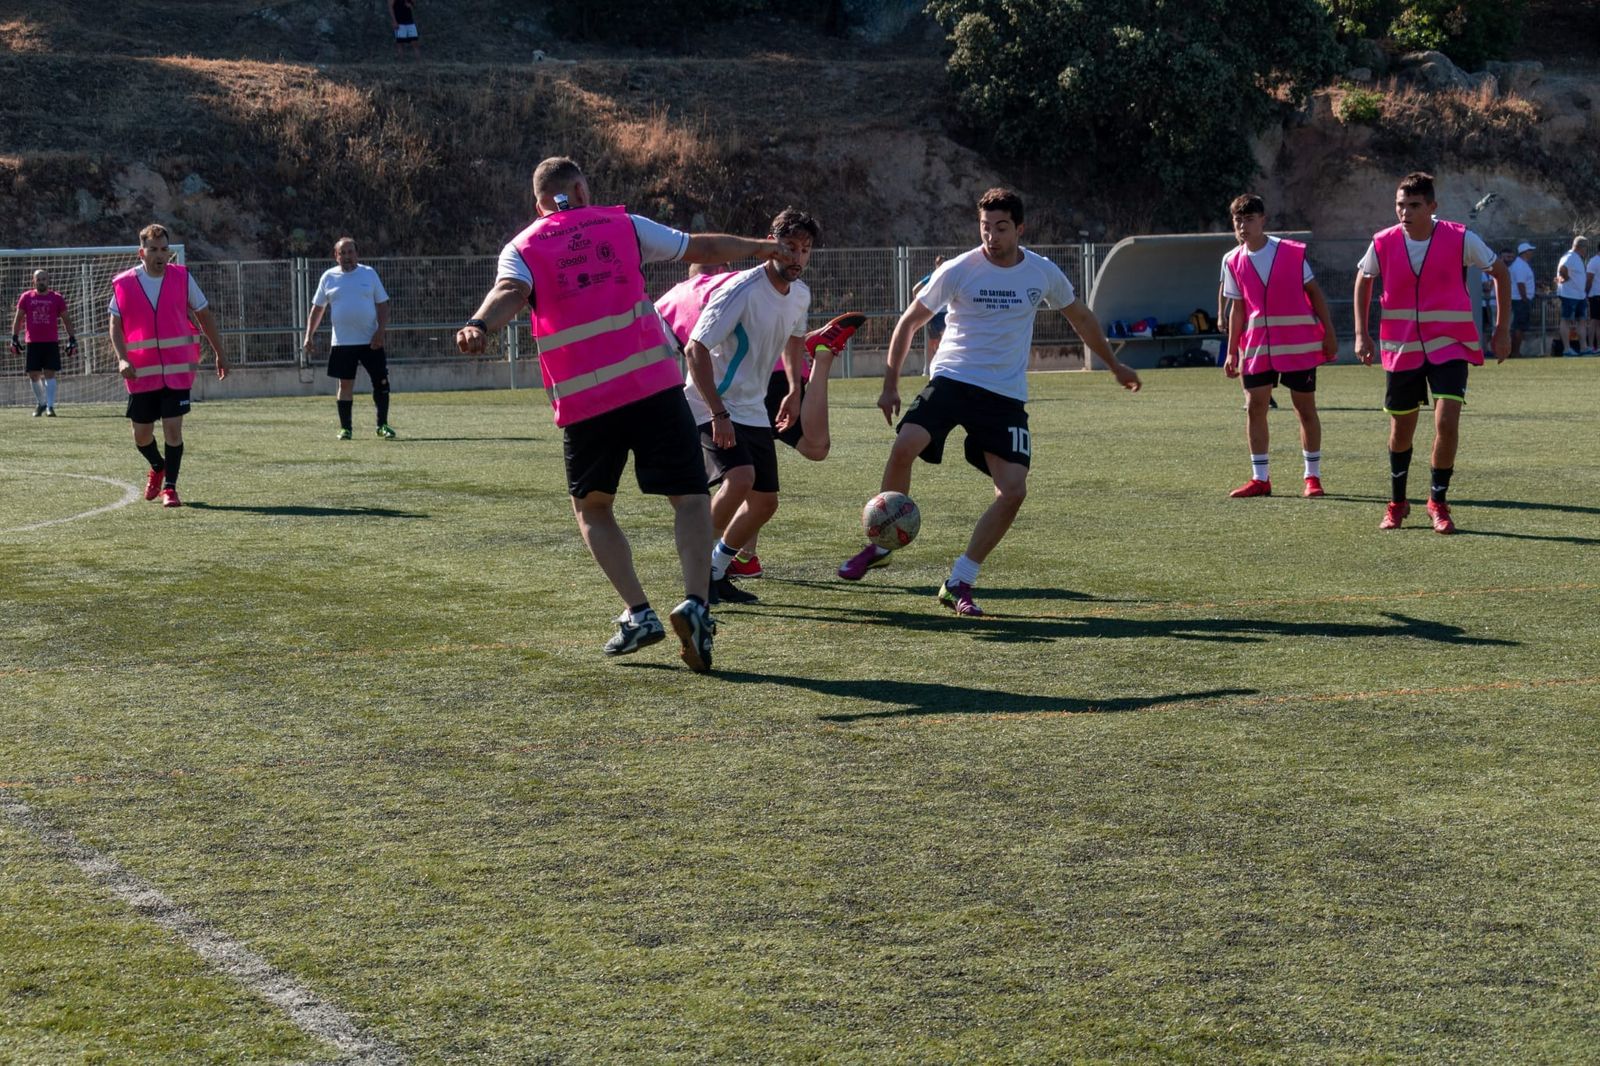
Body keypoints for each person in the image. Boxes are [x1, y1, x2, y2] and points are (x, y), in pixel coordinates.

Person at [455, 156, 794, 673]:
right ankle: (697, 604)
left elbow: (511, 292)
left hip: (587, 402)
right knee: (689, 498)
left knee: (593, 509)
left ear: (538, 202)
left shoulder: (522, 246)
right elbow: (700, 248)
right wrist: (762, 248)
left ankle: (640, 613)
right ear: (583, 189)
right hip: (654, 388)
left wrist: (481, 324)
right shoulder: (624, 225)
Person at [836, 187, 1142, 616]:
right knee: (904, 444)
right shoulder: (961, 268)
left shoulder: (1042, 272)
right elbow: (909, 322)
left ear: (1020, 228)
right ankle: (883, 541)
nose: (991, 237)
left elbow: (1082, 318)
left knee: (1013, 491)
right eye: (984, 227)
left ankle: (959, 579)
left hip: (1004, 395)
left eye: (1001, 228)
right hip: (953, 379)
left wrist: (1114, 365)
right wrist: (890, 384)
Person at [679, 208, 854, 605]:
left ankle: (716, 571)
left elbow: (794, 341)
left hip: (754, 407)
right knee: (740, 479)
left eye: (805, 250)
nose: (797, 257)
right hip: (710, 404)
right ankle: (694, 574)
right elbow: (695, 348)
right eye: (789, 247)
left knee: (764, 503)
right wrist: (718, 414)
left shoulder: (801, 294)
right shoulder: (741, 290)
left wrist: (794, 389)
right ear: (771, 244)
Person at [1352, 172, 1509, 535]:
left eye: (1413, 205)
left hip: (1450, 346)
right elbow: (1363, 279)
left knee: (1446, 422)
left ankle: (1437, 501)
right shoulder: (1383, 242)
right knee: (1402, 428)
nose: (1404, 212)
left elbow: (1499, 273)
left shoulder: (1459, 238)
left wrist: (1501, 330)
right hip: (1401, 348)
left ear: (1432, 207)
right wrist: (1362, 334)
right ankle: (1397, 503)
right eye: (1400, 205)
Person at [1220, 193, 1339, 499]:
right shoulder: (1232, 260)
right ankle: (1261, 479)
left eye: (1249, 219)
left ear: (1263, 220)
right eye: (1238, 220)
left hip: (1298, 345)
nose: (1243, 226)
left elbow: (1314, 293)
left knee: (1305, 409)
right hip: (1257, 347)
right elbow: (1238, 308)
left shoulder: (1290, 252)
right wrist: (1232, 350)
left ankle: (1312, 477)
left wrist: (1328, 332)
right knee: (1255, 408)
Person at [108, 224, 229, 508]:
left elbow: (204, 315)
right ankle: (157, 465)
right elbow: (115, 324)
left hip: (177, 372)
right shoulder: (124, 283)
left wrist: (220, 353)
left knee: (173, 430)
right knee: (141, 435)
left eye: (164, 249)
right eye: (153, 250)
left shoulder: (183, 278)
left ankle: (171, 488)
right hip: (141, 374)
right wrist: (123, 357)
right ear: (142, 252)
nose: (160, 255)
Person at [302, 237, 395, 439]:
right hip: (343, 342)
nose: (347, 256)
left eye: (350, 252)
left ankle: (383, 425)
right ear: (336, 256)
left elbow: (383, 305)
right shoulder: (328, 277)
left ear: (357, 254)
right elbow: (318, 308)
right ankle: (346, 428)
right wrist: (308, 335)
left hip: (371, 341)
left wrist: (380, 331)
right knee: (345, 385)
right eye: (342, 253)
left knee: (381, 382)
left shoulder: (369, 274)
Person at [11, 269, 75, 417]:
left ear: (48, 280)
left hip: (51, 342)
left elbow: (66, 319)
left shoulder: (57, 298)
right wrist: (14, 337)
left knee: (49, 374)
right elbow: (18, 318)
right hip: (33, 342)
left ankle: (50, 407)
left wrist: (72, 338)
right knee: (33, 375)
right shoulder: (26, 297)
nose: (41, 282)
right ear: (33, 281)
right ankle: (42, 403)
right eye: (38, 279)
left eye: (44, 279)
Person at [1554, 235, 1589, 356]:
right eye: (1586, 247)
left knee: (1582, 321)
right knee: (1566, 320)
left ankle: (1584, 348)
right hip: (1569, 294)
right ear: (1580, 247)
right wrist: (1566, 278)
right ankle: (1567, 349)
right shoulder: (1570, 256)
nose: (1586, 250)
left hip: (1579, 295)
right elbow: (1563, 269)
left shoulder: (1577, 257)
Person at [1508, 241, 1537, 357]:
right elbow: (1520, 284)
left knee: (1519, 326)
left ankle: (1514, 351)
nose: (1532, 253)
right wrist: (1525, 298)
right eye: (1530, 251)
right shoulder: (1520, 265)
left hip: (1519, 299)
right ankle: (1515, 352)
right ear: (1525, 252)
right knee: (1519, 327)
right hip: (1520, 300)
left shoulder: (1521, 264)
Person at [1587, 242, 1600, 355]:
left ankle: (1594, 347)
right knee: (1596, 322)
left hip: (1596, 295)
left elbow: (1589, 279)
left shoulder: (1594, 261)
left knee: (1595, 322)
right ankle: (1593, 346)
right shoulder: (1594, 261)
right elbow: (1589, 279)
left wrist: (1585, 293)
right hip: (1596, 295)